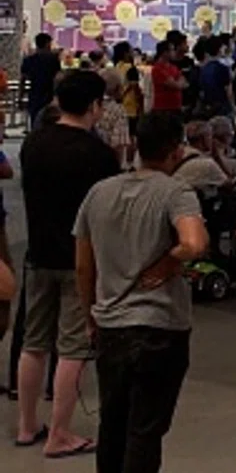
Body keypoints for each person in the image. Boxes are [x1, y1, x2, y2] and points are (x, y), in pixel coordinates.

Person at [73, 111, 209, 473]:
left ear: (135, 144)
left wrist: (90, 316)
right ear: (176, 151)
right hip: (160, 327)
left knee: (112, 424)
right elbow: (194, 243)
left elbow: (84, 266)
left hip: (111, 325)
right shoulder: (176, 192)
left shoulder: (99, 193)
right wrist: (168, 264)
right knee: (145, 430)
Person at [16, 69, 120, 458]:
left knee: (33, 342)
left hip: (37, 254)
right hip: (81, 258)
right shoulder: (97, 154)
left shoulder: (33, 143)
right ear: (95, 105)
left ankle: (27, 425)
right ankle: (60, 433)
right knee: (73, 347)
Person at [19, 33, 60, 131]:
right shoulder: (53, 59)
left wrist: (20, 96)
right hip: (49, 95)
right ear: (47, 44)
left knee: (35, 122)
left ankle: (36, 141)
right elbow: (57, 78)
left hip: (34, 95)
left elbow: (23, 79)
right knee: (51, 124)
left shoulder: (28, 60)